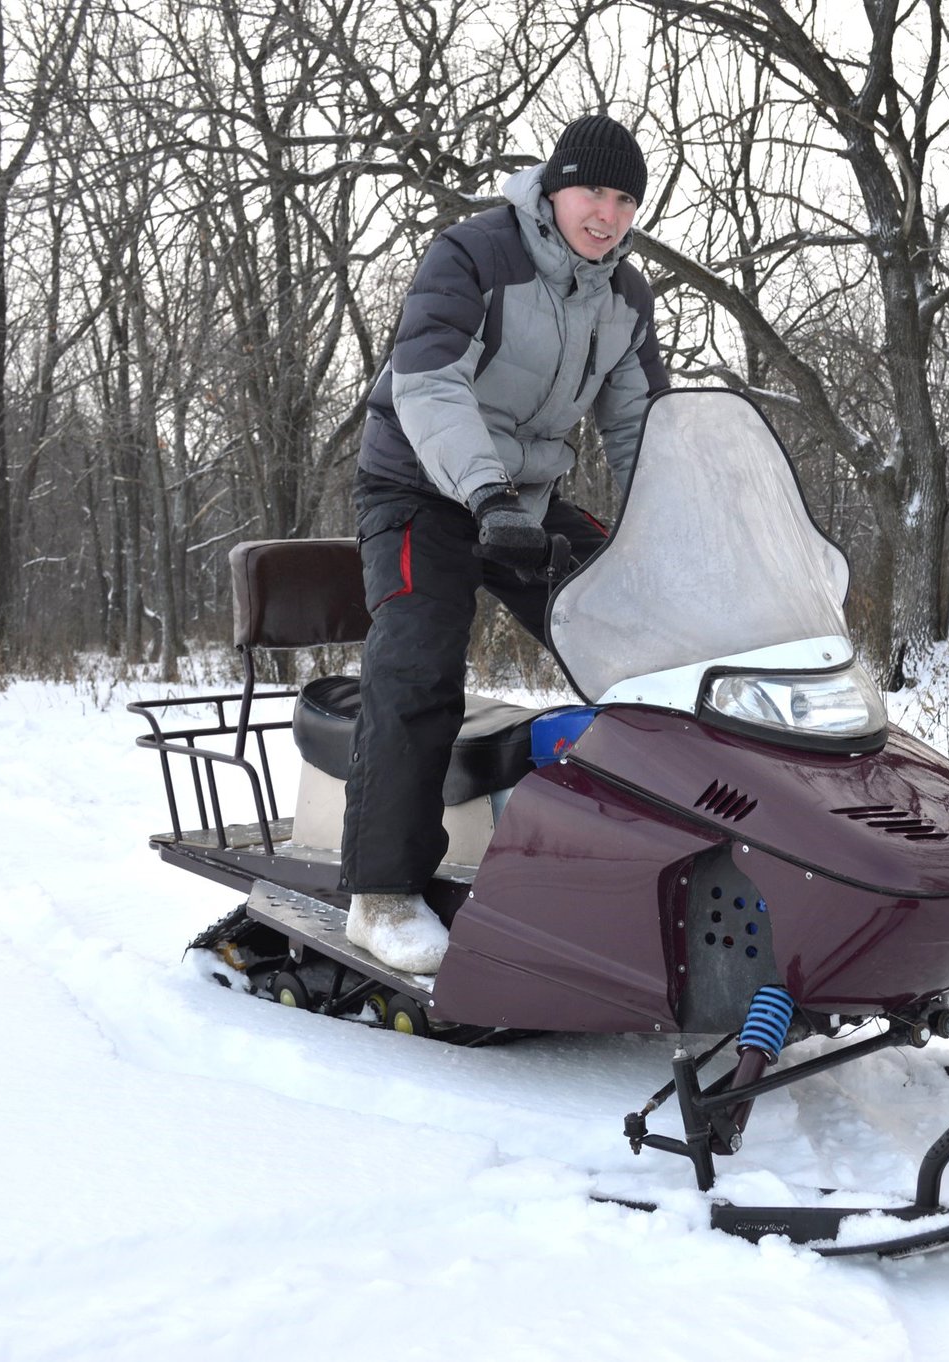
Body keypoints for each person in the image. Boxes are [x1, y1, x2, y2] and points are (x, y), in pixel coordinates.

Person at [340, 114, 667, 974]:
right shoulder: (475, 254)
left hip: (524, 499)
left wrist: (672, 532)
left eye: (626, 198)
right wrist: (484, 494)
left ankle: (669, 855)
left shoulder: (625, 298)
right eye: (593, 191)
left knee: (645, 625)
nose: (607, 213)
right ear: (554, 187)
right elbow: (428, 382)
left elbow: (642, 430)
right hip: (418, 483)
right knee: (418, 652)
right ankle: (383, 897)